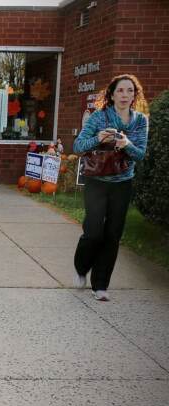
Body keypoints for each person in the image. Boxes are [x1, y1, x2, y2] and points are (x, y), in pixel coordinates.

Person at [72, 74, 149, 301]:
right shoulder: (99, 117)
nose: (125, 95)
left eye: (130, 91)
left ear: (134, 95)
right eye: (120, 91)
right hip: (97, 181)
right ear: (112, 94)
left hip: (122, 183)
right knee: (93, 232)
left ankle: (100, 285)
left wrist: (127, 144)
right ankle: (81, 267)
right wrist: (97, 138)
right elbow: (78, 146)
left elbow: (140, 154)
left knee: (113, 235)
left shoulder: (140, 121)